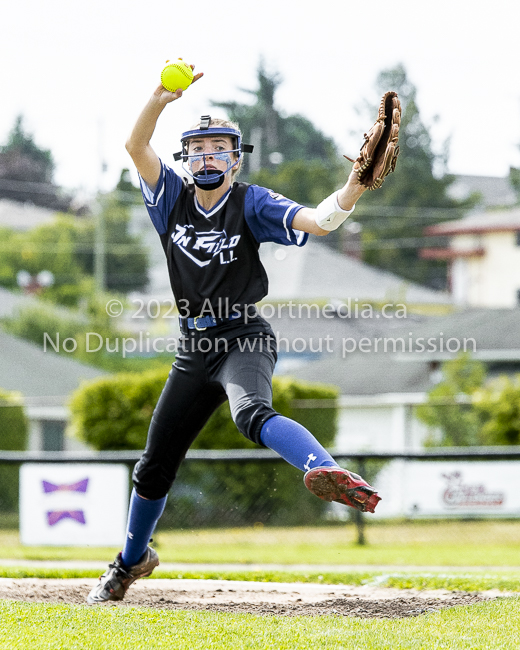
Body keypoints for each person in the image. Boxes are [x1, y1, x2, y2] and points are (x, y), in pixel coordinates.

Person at [87, 66, 381, 605]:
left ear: (235, 158)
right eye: (196, 149)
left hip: (243, 335)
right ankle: (130, 562)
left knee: (250, 413)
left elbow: (321, 222)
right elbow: (135, 143)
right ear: (185, 159)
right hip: (191, 347)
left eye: (218, 148)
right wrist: (158, 98)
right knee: (155, 464)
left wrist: (353, 188)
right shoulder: (169, 198)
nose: (206, 158)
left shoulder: (251, 202)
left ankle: (327, 470)